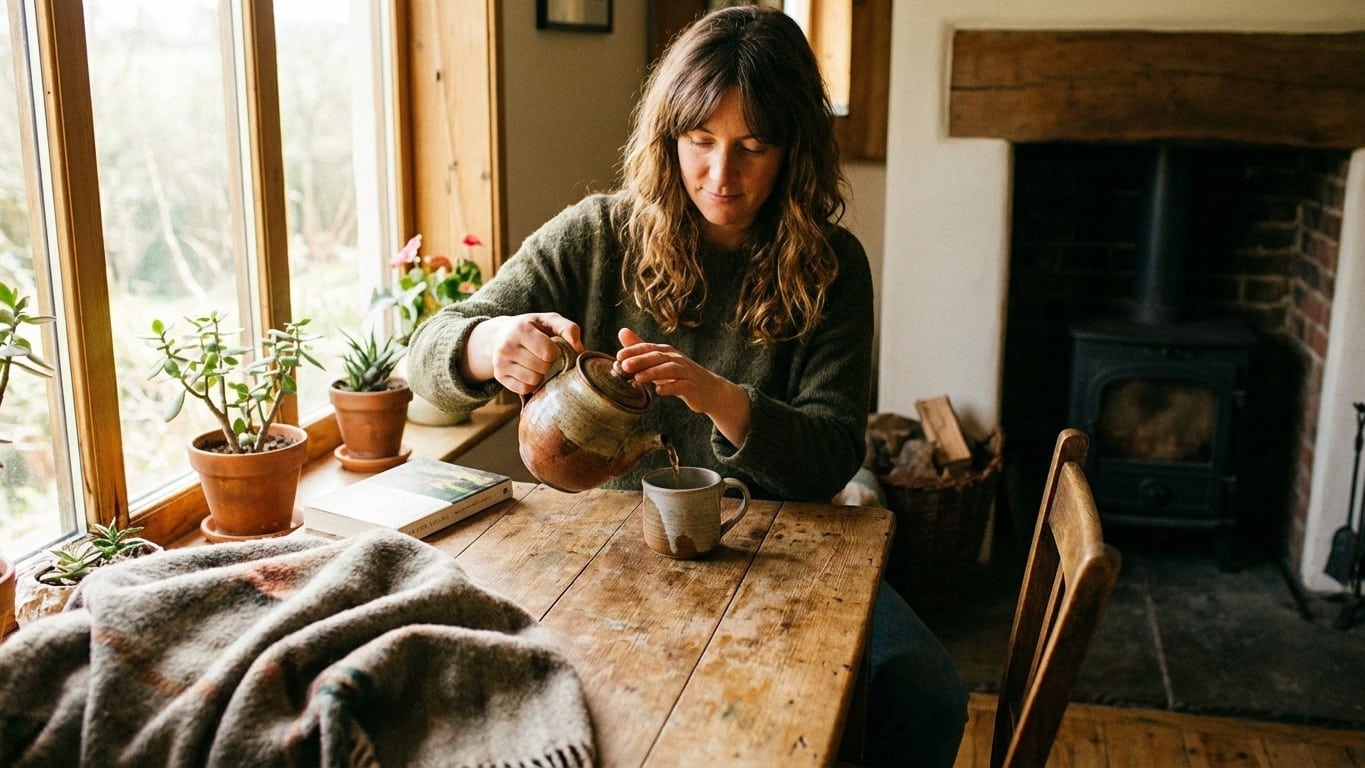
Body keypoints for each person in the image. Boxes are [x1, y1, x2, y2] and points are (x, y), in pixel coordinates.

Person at [406, 6, 968, 766]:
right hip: (605, 551)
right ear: (666, 137)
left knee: (923, 690)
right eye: (698, 142)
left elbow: (833, 451)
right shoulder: (599, 235)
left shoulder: (831, 268)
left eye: (752, 147)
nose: (720, 175)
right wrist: (485, 344)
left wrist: (717, 395)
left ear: (794, 150)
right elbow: (424, 352)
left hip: (777, 558)